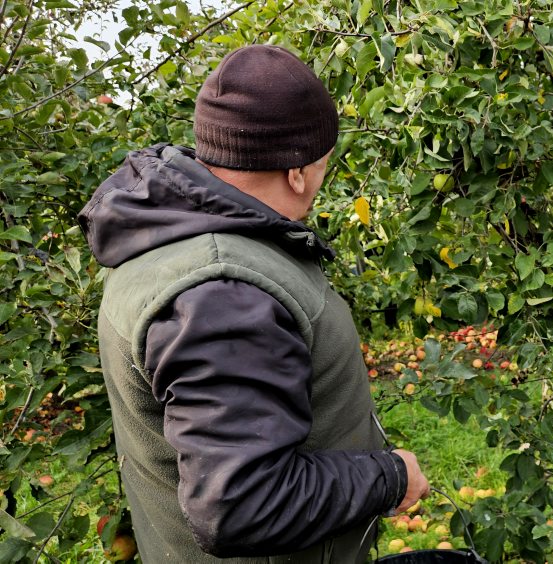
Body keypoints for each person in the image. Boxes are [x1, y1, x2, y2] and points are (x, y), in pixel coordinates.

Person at [78, 44, 429, 563]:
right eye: (324, 165)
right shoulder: (223, 295)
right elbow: (243, 503)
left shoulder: (168, 236)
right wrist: (389, 477)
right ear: (297, 172)